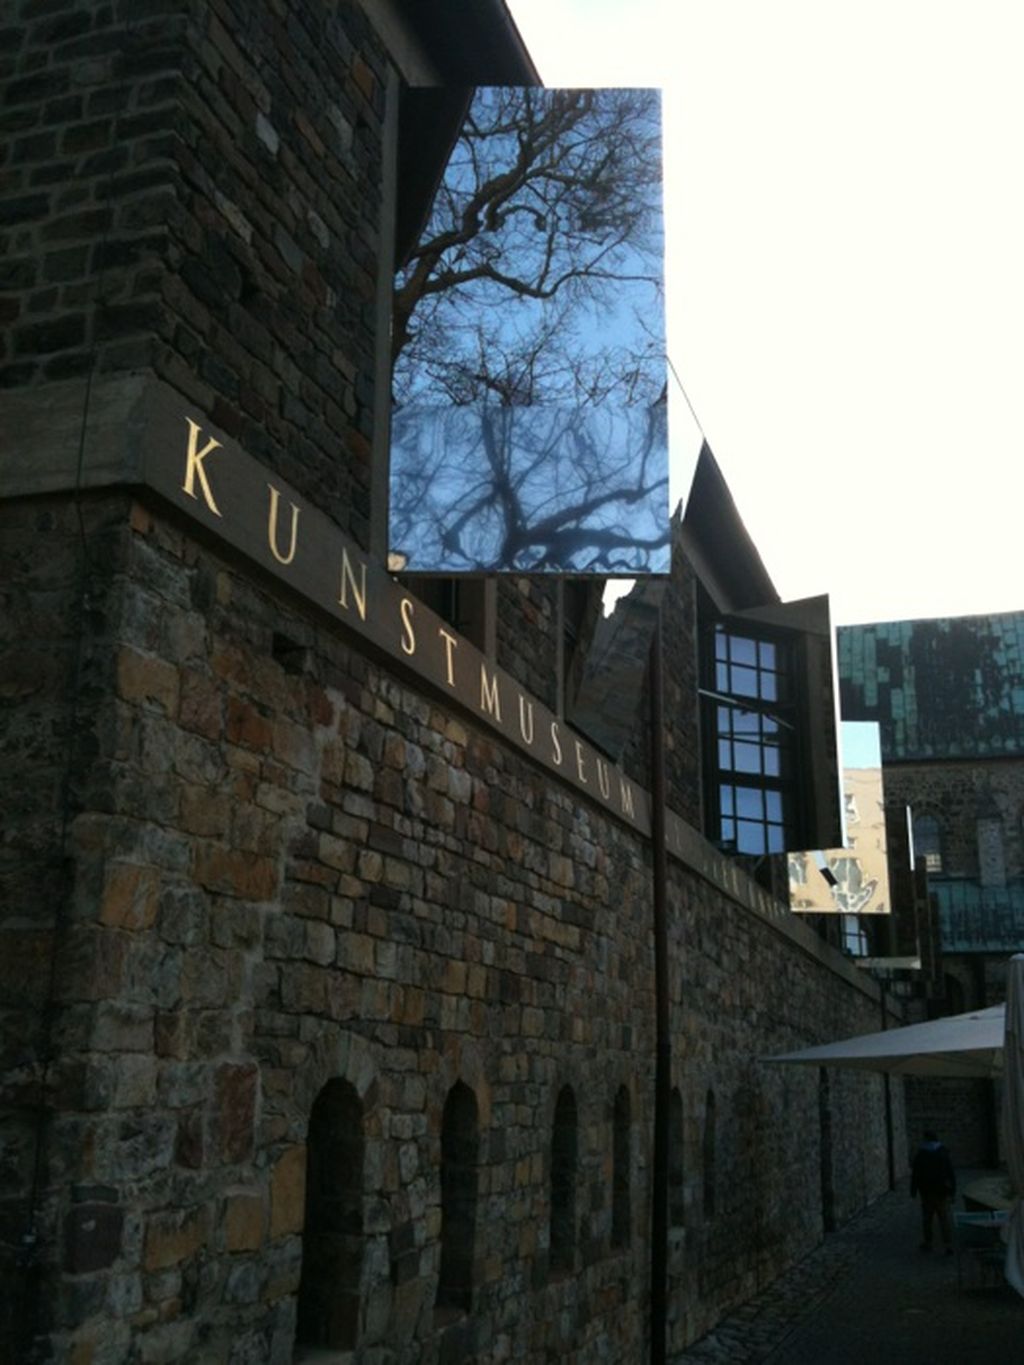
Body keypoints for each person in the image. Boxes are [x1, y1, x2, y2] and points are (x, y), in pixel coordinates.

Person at [910, 1129, 956, 1253]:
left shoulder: (921, 1154)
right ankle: (948, 1244)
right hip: (942, 1191)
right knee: (943, 1218)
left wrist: (913, 1190)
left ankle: (928, 1242)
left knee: (927, 1218)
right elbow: (950, 1173)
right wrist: (953, 1191)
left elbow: (916, 1174)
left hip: (927, 1191)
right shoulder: (943, 1152)